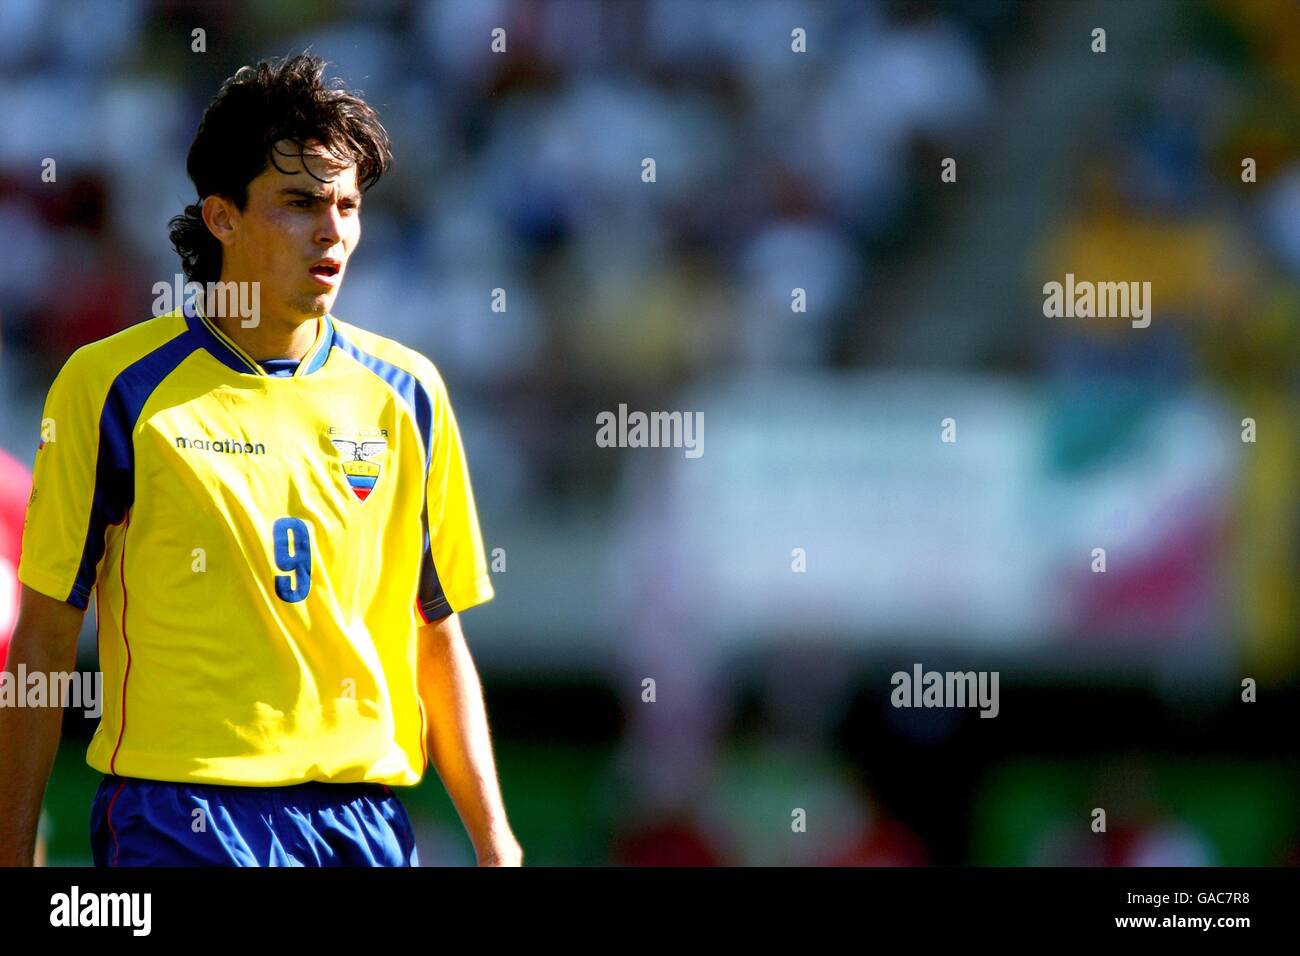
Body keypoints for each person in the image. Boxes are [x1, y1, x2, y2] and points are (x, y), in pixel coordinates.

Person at [0, 53, 521, 867]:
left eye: (348, 205)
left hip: (362, 825)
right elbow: (44, 640)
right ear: (222, 217)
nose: (333, 230)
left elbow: (436, 638)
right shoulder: (111, 388)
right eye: (301, 202)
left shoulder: (407, 394)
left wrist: (496, 843)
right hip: (178, 815)